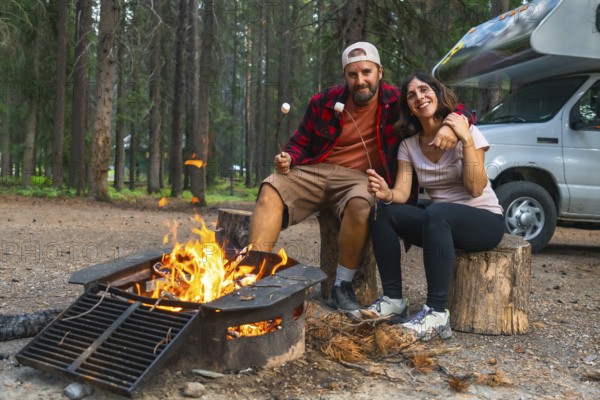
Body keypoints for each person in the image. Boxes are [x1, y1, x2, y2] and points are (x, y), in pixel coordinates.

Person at [248, 43, 474, 314]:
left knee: (362, 204)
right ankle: (255, 277)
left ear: (379, 71)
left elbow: (456, 107)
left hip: (361, 177)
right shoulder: (324, 101)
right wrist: (289, 158)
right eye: (352, 75)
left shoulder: (396, 100)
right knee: (271, 187)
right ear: (345, 75)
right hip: (318, 170)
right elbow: (300, 142)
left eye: (366, 72)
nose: (360, 81)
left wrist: (452, 123)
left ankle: (341, 287)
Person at [365, 72, 505, 340]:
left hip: (485, 222)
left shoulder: (468, 131)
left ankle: (437, 313)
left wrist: (466, 140)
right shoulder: (409, 146)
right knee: (383, 210)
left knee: (436, 211)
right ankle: (394, 300)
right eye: (411, 95)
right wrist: (386, 193)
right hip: (440, 224)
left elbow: (475, 187)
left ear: (437, 94)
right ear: (408, 108)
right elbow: (402, 192)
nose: (419, 96)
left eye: (424, 89)